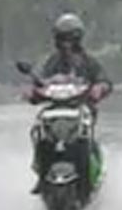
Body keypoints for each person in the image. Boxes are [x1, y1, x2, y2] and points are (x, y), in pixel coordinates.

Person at [27, 13, 113, 195]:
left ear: (78, 39)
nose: (66, 43)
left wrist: (99, 88)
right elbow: (40, 82)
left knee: (85, 136)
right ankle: (41, 174)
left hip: (81, 108)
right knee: (38, 131)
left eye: (70, 39)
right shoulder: (51, 62)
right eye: (62, 38)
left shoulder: (89, 62)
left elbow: (104, 80)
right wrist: (32, 92)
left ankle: (91, 175)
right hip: (55, 108)